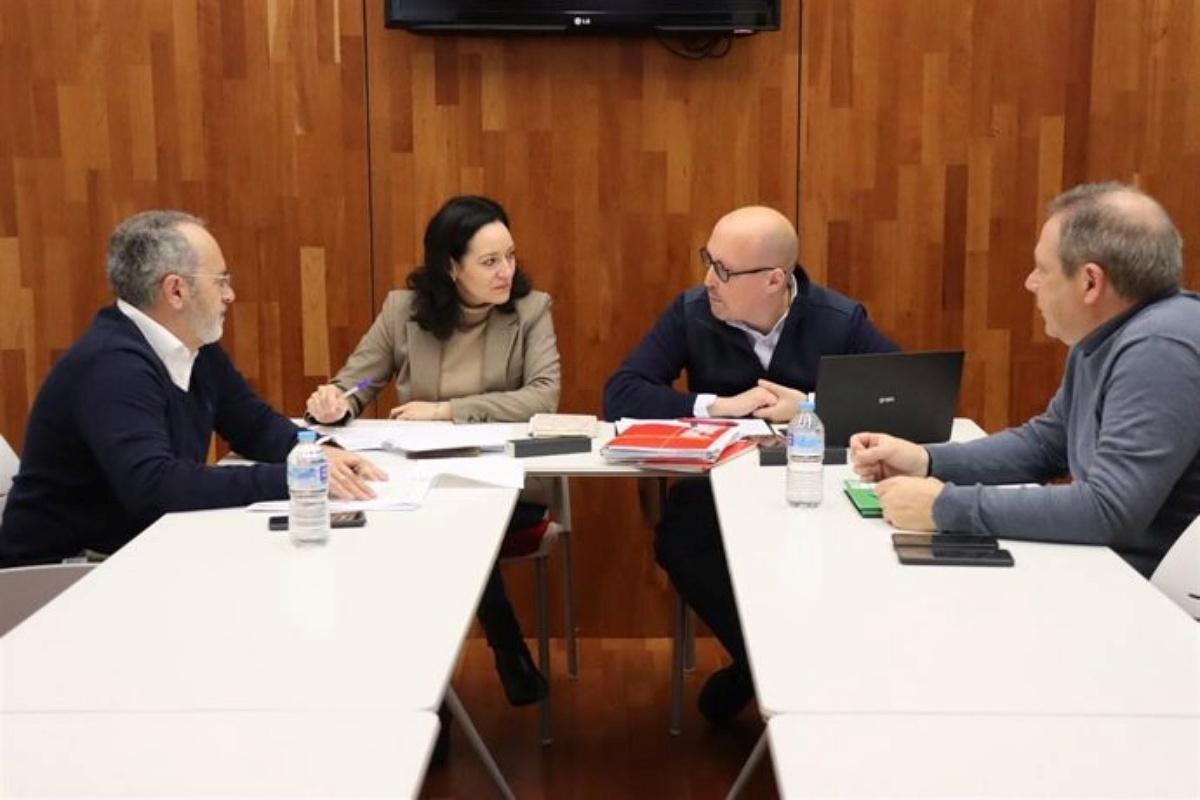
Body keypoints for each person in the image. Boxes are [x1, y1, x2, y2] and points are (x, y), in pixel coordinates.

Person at [603, 205, 897, 722]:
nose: (708, 280)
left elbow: (900, 399)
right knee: (678, 539)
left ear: (774, 280)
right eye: (708, 262)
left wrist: (809, 406)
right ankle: (765, 664)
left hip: (812, 489)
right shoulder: (692, 312)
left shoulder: (838, 320)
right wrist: (715, 406)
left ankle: (782, 669)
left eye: (724, 270)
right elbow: (621, 393)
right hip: (718, 490)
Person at [851, 182, 1200, 578]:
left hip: (1158, 603)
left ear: (1090, 282)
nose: (1030, 283)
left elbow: (1110, 510)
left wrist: (944, 506)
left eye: (1042, 269)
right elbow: (1045, 445)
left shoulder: (1159, 347)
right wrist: (928, 461)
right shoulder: (1108, 336)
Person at [0, 211, 383, 567]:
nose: (230, 295)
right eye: (221, 281)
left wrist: (320, 452)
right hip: (61, 577)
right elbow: (155, 486)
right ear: (176, 291)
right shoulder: (112, 365)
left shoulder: (196, 348)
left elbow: (253, 424)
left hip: (131, 554)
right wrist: (293, 477)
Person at [304, 195, 561, 720]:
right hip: (417, 482)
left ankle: (446, 691)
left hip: (504, 483)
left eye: (510, 256)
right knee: (430, 526)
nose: (506, 271)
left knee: (453, 526)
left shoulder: (531, 310)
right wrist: (337, 400)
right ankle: (487, 660)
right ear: (451, 266)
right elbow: (364, 376)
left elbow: (542, 396)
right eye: (489, 262)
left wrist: (449, 410)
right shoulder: (405, 310)